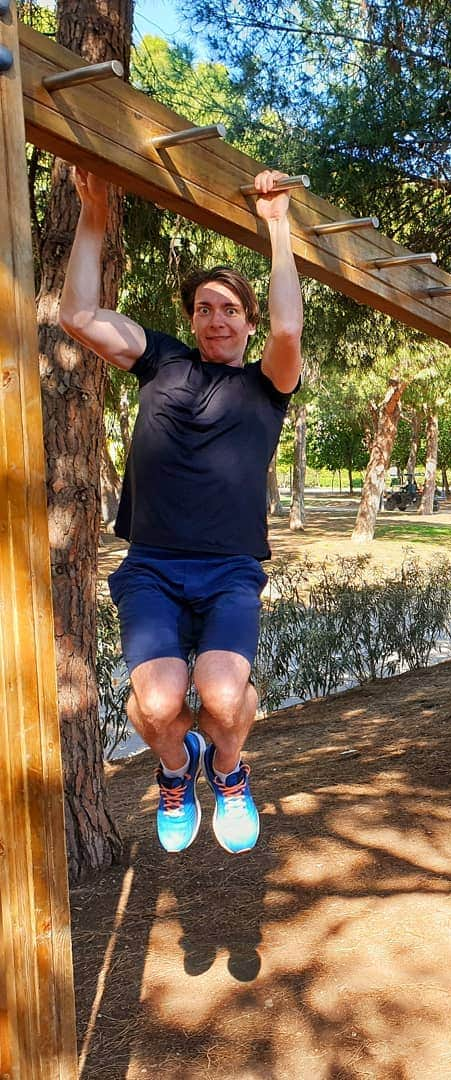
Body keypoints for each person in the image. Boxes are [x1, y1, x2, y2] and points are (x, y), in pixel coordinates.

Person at [60, 166, 303, 855]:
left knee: (224, 697)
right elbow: (77, 316)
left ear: (249, 323)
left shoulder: (268, 385)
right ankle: (177, 770)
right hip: (153, 567)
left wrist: (277, 225)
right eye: (204, 308)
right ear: (191, 319)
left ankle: (227, 772)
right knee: (162, 704)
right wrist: (95, 215)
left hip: (229, 568)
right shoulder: (161, 363)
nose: (216, 318)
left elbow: (290, 323)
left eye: (230, 308)